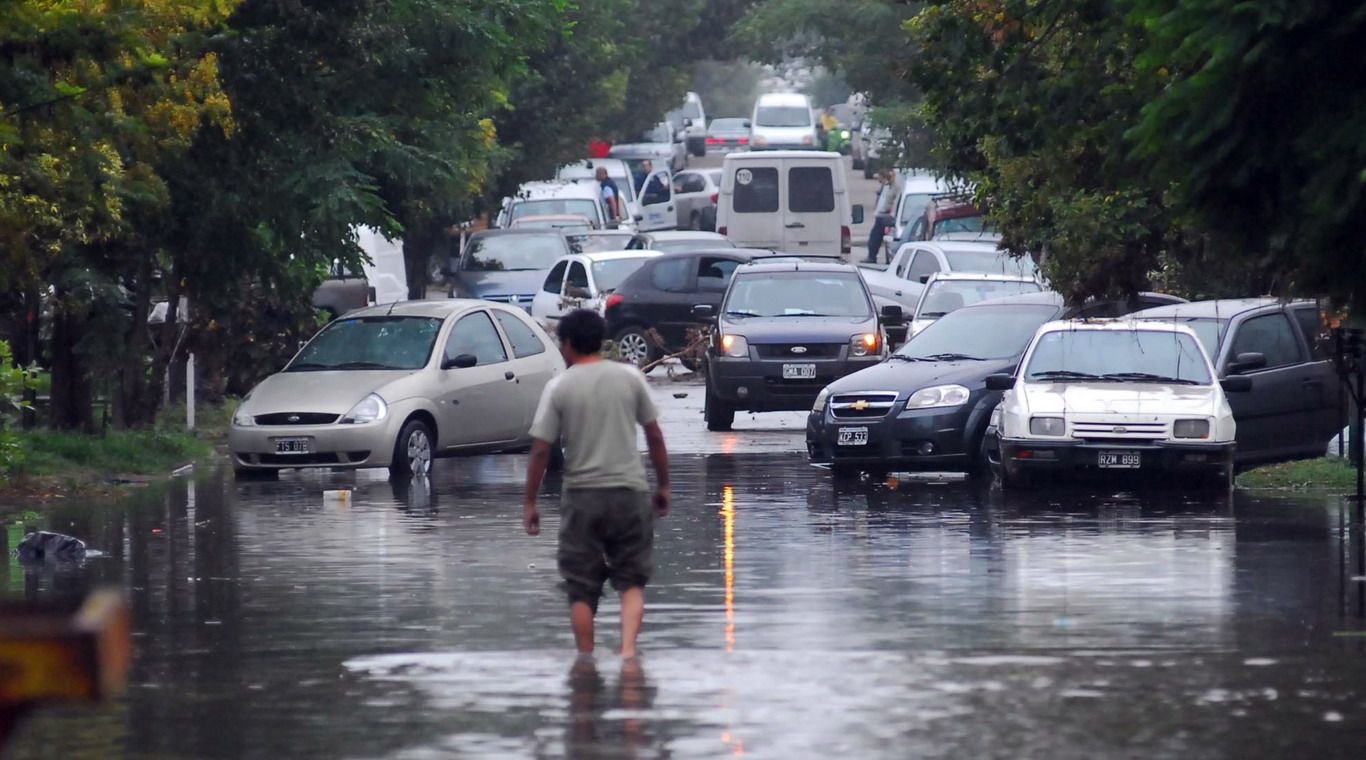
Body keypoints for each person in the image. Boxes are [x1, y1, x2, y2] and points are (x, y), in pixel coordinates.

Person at [523, 310, 671, 658]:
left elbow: (541, 450)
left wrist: (530, 502)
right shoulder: (630, 378)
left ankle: (586, 662)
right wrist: (663, 486)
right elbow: (655, 437)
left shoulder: (559, 386)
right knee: (632, 581)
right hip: (630, 494)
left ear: (569, 344)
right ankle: (629, 652)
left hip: (582, 498)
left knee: (581, 590)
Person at [867, 170, 896, 263]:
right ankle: (872, 255)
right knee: (875, 237)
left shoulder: (892, 187)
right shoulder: (885, 187)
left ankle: (872, 257)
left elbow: (889, 201)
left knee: (875, 237)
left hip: (885, 215)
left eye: (879, 177)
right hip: (880, 214)